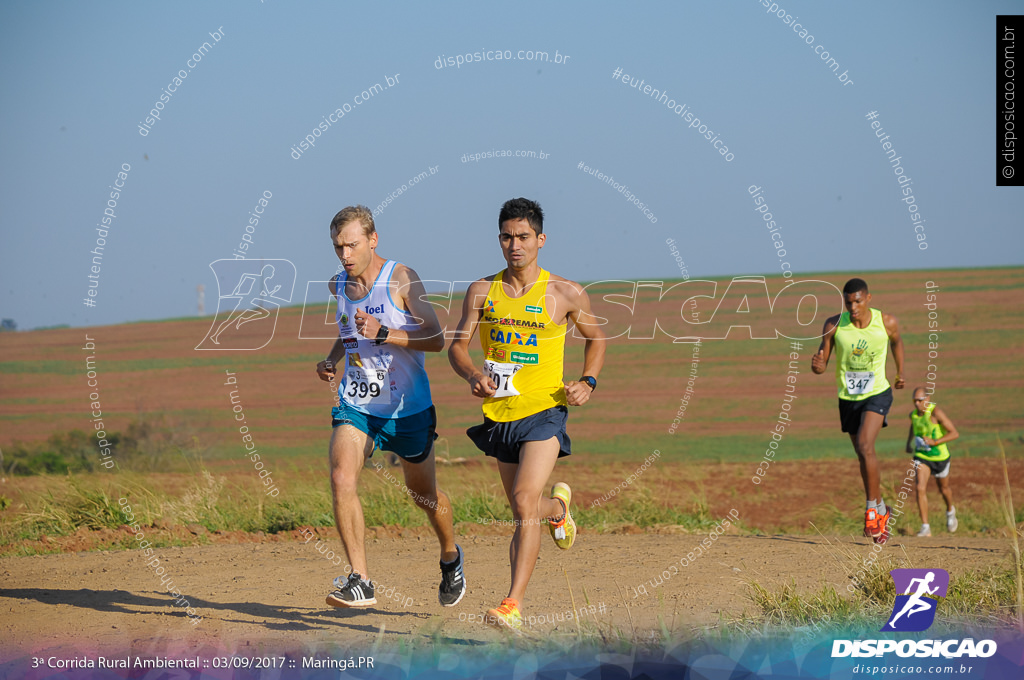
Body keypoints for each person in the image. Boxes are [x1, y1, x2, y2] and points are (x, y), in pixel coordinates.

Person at [448, 197, 606, 632]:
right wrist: (471, 375)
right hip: (500, 415)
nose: (514, 245)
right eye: (506, 236)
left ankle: (512, 604)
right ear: (499, 239)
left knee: (521, 504)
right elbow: (457, 347)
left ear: (540, 239)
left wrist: (587, 381)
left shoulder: (566, 293)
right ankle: (558, 507)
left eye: (522, 237)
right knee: (527, 508)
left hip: (545, 412)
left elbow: (597, 339)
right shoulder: (483, 291)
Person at [315, 205, 465, 608]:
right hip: (358, 402)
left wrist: (386, 333)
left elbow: (435, 338)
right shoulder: (338, 285)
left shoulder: (401, 278)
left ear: (373, 239)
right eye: (337, 247)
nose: (344, 255)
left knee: (424, 495)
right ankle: (360, 580)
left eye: (351, 245)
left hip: (407, 408)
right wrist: (333, 358)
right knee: (342, 476)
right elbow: (349, 329)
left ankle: (450, 554)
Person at [811, 278, 905, 544]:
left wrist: (900, 373)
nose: (853, 307)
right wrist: (816, 365)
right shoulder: (833, 325)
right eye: (848, 302)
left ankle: (872, 512)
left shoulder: (885, 322)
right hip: (848, 397)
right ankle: (883, 508)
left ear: (868, 299)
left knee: (865, 446)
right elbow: (821, 364)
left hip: (877, 393)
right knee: (862, 454)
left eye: (858, 301)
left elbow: (896, 342)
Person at [905, 387, 959, 537]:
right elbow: (913, 426)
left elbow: (954, 433)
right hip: (922, 457)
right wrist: (909, 443)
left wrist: (935, 442)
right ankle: (925, 527)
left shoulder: (936, 413)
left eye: (920, 400)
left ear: (927, 399)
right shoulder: (913, 415)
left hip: (940, 458)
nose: (917, 404)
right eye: (914, 401)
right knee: (920, 487)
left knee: (944, 489)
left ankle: (950, 511)